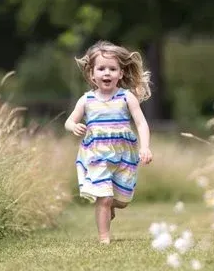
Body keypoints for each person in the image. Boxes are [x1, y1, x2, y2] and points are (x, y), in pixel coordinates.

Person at [64, 41, 153, 244]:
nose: (107, 73)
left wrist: (145, 147)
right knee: (103, 197)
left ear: (121, 74)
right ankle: (104, 237)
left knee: (121, 201)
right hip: (97, 155)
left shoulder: (126, 97)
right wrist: (73, 127)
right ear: (92, 74)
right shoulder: (86, 100)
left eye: (112, 69)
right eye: (101, 69)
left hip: (124, 154)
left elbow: (141, 123)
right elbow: (69, 121)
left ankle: (112, 205)